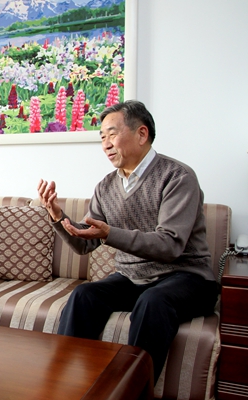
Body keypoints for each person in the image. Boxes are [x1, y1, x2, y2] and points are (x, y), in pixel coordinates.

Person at [37, 100, 218, 382]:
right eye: (102, 138)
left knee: (153, 301)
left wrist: (110, 233)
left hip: (186, 277)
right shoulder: (106, 186)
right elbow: (85, 244)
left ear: (141, 134)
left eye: (112, 134)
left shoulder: (177, 177)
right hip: (134, 278)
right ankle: (66, 384)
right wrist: (58, 217)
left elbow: (170, 245)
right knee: (84, 295)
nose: (106, 145)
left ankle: (131, 390)